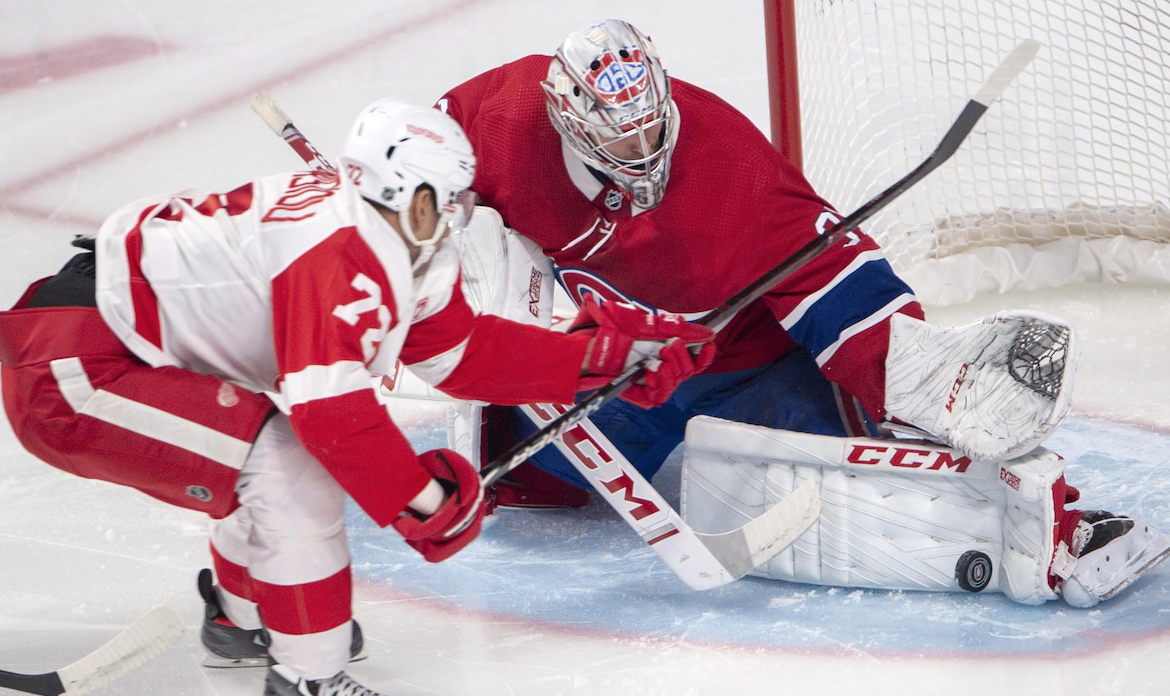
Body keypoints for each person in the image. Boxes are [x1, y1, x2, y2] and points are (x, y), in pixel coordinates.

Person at [432, 18, 1169, 607]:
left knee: (862, 487)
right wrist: (428, 233)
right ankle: (513, 450)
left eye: (654, 126)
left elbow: (837, 284)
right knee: (530, 480)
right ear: (566, 117)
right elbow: (426, 150)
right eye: (622, 136)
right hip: (627, 360)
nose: (645, 147)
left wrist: (919, 373)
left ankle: (1064, 530)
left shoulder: (729, 167)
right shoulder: (506, 114)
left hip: (747, 365)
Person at [0, 99, 713, 696]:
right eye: (455, 198)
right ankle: (311, 676)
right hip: (70, 369)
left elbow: (462, 355)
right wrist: (424, 504)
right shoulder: (341, 251)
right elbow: (333, 420)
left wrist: (604, 357)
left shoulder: (402, 239)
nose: (465, 212)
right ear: (414, 195)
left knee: (264, 442)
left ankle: (244, 617)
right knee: (285, 461)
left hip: (111, 338)